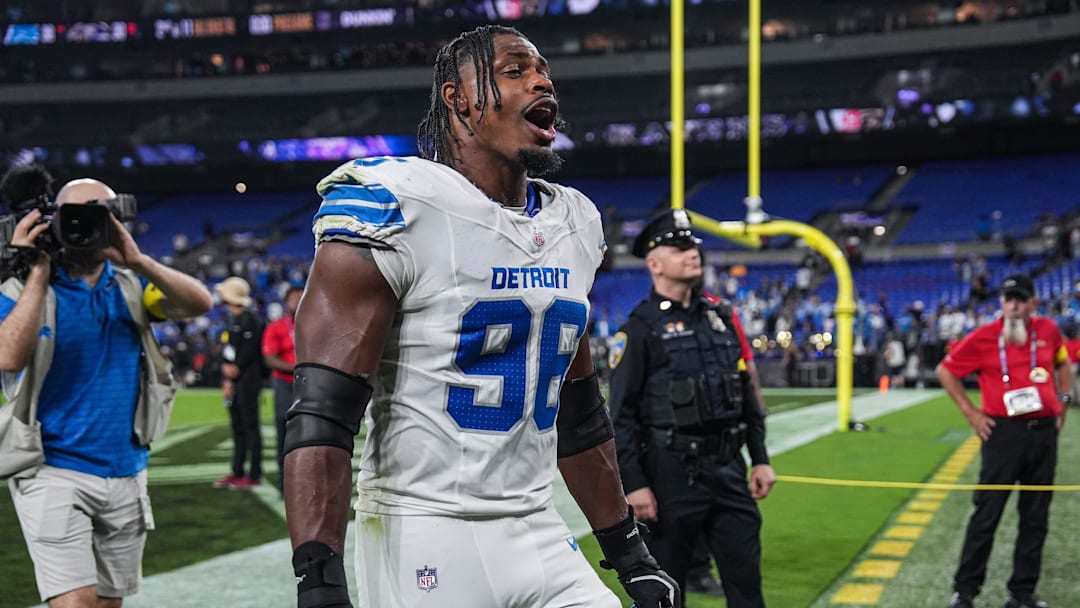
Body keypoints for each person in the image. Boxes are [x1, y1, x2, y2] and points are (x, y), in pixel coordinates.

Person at [282, 25, 678, 608]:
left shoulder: (574, 221)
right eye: (515, 70)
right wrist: (318, 580)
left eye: (542, 71)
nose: (542, 80)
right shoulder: (395, 203)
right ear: (457, 97)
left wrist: (629, 552)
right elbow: (322, 414)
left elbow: (579, 411)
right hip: (425, 529)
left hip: (538, 525)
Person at [0, 173, 212, 607]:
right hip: (51, 468)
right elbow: (8, 357)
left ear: (118, 221)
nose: (87, 228)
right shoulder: (20, 291)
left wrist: (138, 260)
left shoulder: (132, 285)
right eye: (76, 217)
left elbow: (199, 304)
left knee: (108, 604)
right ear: (53, 220)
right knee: (76, 602)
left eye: (100, 215)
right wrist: (38, 270)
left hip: (127, 469)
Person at [607, 209, 776, 608]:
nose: (691, 253)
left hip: (730, 471)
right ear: (654, 263)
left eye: (693, 246)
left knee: (747, 587)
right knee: (667, 594)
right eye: (679, 247)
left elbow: (745, 396)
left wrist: (762, 458)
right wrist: (634, 484)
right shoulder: (639, 329)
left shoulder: (721, 317)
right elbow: (622, 416)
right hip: (670, 477)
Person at [937, 273, 1072, 608]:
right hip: (1002, 434)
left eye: (1020, 300)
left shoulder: (1048, 331)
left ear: (1033, 304)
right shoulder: (984, 337)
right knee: (986, 514)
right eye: (1008, 299)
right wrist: (971, 412)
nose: (1012, 306)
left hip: (1043, 433)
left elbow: (1064, 362)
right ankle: (965, 591)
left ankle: (1023, 593)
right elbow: (946, 370)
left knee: (1035, 517)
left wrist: (1063, 401)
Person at [213, 276, 266, 490]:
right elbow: (227, 350)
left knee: (250, 425)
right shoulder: (233, 320)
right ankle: (237, 470)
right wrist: (226, 371)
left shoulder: (252, 320)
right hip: (234, 380)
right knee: (237, 426)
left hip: (248, 380)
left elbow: (251, 351)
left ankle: (254, 473)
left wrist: (234, 368)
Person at [262, 285, 302, 491]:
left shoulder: (313, 325)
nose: (298, 302)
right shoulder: (276, 327)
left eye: (302, 298)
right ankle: (284, 483)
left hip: (307, 384)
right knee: (284, 433)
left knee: (309, 433)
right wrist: (299, 367)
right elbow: (269, 358)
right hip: (285, 384)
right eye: (294, 299)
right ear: (286, 303)